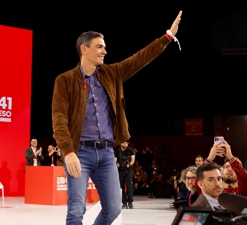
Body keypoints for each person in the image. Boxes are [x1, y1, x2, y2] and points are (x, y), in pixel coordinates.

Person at [51, 10, 182, 225]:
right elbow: (59, 118)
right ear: (84, 49)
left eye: (104, 46)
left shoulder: (112, 74)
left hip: (105, 153)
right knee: (76, 211)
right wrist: (68, 152)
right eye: (99, 46)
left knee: (112, 210)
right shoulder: (65, 80)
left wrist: (167, 37)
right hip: (79, 152)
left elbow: (140, 58)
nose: (105, 51)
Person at [115, 141, 135, 209]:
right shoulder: (117, 151)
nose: (125, 144)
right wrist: (116, 164)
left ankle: (130, 202)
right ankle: (124, 202)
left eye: (126, 143)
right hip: (120, 171)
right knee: (121, 187)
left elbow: (133, 160)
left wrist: (129, 165)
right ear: (121, 143)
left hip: (128, 170)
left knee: (129, 187)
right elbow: (115, 159)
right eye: (124, 143)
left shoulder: (130, 150)